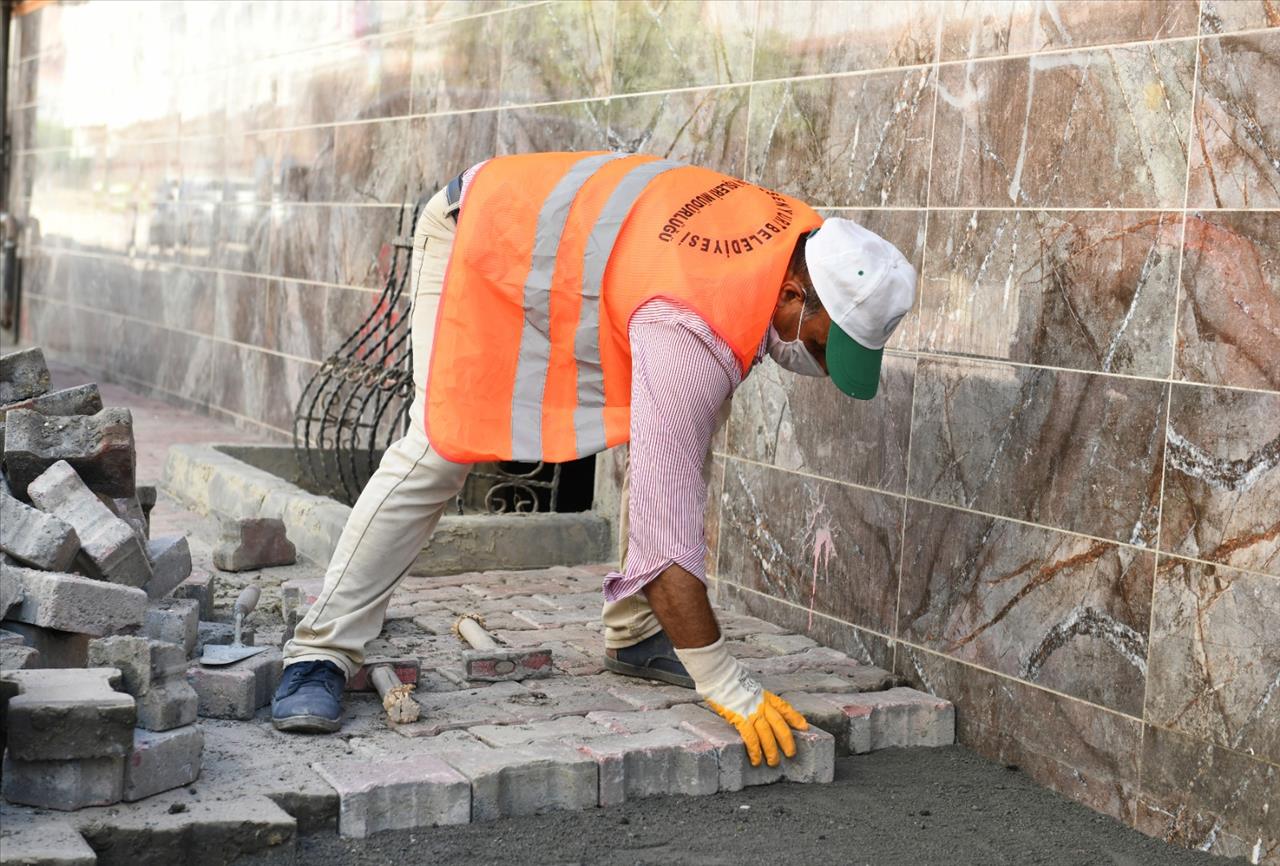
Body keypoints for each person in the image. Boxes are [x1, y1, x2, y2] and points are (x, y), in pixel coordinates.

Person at [272, 152, 915, 768]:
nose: (823, 367)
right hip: (482, 233)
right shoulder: (693, 324)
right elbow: (669, 547)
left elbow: (674, 460)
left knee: (679, 439)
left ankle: (634, 632)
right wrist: (726, 682)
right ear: (793, 296)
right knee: (441, 445)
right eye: (825, 345)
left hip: (569, 255)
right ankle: (320, 651)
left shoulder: (800, 242)